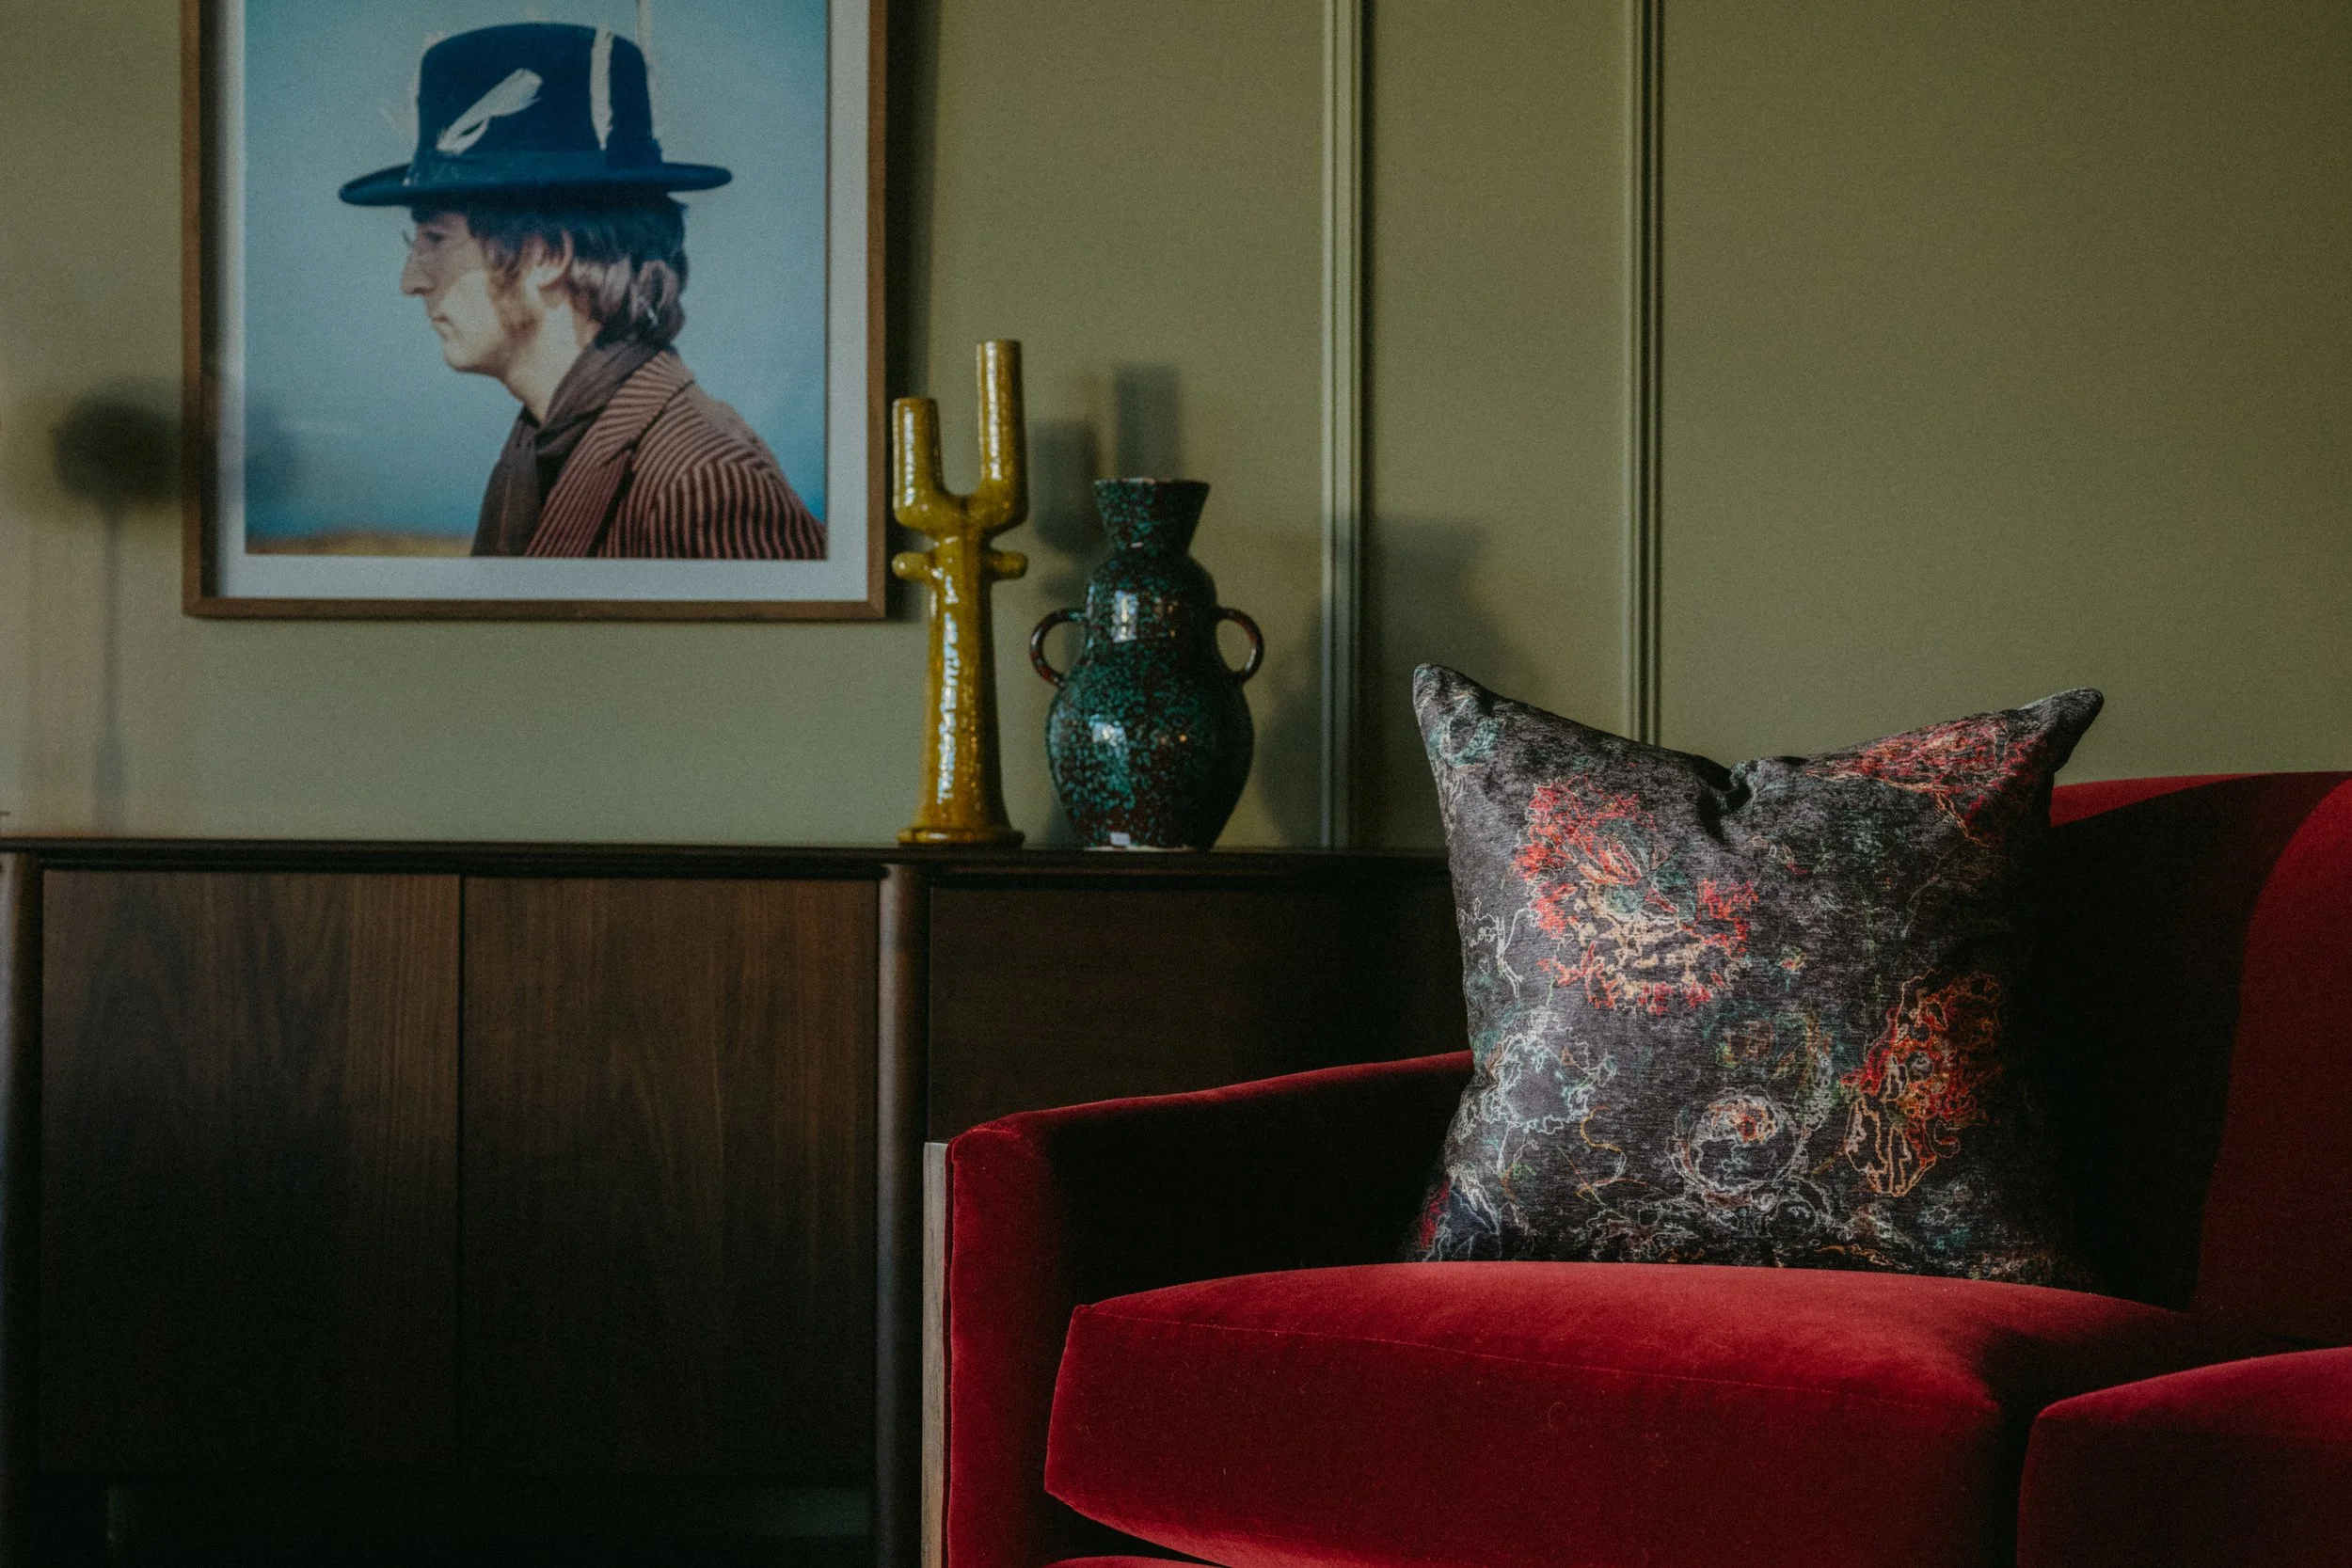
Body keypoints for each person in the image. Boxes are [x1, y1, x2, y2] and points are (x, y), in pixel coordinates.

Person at [340, 23, 822, 559]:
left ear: (547, 254)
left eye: (435, 238)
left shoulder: (702, 483)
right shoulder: (541, 445)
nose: (411, 282)